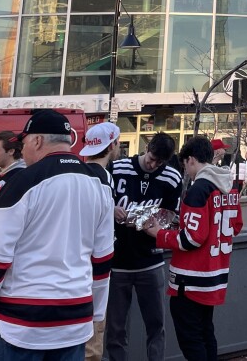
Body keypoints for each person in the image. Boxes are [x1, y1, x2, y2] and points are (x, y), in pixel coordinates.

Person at [0, 109, 114, 360]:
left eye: (24, 143)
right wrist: (97, 312)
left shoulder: (23, 182)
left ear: (36, 141)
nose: (23, 151)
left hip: (22, 323)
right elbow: (102, 259)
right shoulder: (99, 184)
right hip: (74, 318)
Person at [142, 136, 242, 361]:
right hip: (216, 273)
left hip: (191, 279)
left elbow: (192, 239)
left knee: (191, 340)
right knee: (206, 333)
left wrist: (160, 233)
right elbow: (235, 227)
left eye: (185, 163)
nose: (185, 170)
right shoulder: (229, 187)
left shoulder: (198, 190)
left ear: (192, 160)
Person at [106, 132, 183, 361]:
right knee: (116, 327)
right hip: (118, 261)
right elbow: (99, 199)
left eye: (159, 162)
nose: (153, 164)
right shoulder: (117, 168)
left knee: (156, 324)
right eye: (151, 158)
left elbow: (172, 216)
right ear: (146, 147)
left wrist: (134, 219)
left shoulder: (171, 177)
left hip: (150, 261)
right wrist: (111, 208)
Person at [76, 123, 122, 361]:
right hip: (92, 274)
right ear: (112, 145)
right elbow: (102, 243)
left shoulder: (77, 173)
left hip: (71, 271)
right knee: (91, 347)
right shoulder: (102, 179)